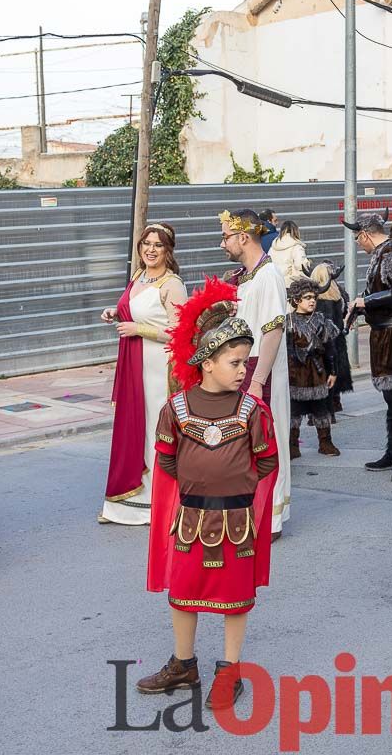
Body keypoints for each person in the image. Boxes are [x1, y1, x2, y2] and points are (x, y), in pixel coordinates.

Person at [139, 277, 279, 711]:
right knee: (183, 591)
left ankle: (229, 669)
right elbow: (165, 460)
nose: (244, 370)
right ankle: (183, 663)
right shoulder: (175, 409)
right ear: (206, 361)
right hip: (190, 521)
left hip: (236, 523)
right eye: (235, 362)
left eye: (245, 362)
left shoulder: (252, 410)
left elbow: (267, 462)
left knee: (234, 599)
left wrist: (239, 489)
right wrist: (198, 481)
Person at [99, 223, 186, 526]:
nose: (150, 249)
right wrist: (116, 311)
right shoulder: (139, 276)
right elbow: (134, 309)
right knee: (133, 429)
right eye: (146, 243)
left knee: (153, 430)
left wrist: (140, 330)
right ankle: (128, 503)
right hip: (134, 365)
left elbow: (181, 333)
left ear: (168, 250)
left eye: (157, 245)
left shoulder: (172, 284)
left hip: (159, 370)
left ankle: (157, 502)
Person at [221, 209, 291, 539]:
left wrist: (259, 380)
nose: (223, 243)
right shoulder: (243, 275)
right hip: (240, 366)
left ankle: (269, 517)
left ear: (244, 237)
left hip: (258, 369)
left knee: (264, 442)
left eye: (226, 237)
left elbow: (273, 329)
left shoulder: (269, 275)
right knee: (243, 447)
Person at [345, 211, 392, 485]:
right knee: (390, 398)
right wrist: (360, 305)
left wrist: (367, 302)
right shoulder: (382, 254)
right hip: (383, 335)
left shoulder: (390, 254)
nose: (357, 243)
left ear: (366, 233)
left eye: (357, 238)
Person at [285, 276, 340, 457]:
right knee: (294, 414)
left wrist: (333, 372)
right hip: (295, 375)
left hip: (317, 373)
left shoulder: (321, 320)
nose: (312, 301)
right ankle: (293, 446)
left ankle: (326, 443)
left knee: (321, 411)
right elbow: (284, 351)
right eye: (307, 297)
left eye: (314, 298)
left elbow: (330, 348)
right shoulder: (288, 322)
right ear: (296, 300)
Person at [308, 260, 353, 412]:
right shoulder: (338, 293)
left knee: (323, 373)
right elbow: (346, 310)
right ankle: (335, 401)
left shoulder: (314, 299)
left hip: (321, 343)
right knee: (335, 370)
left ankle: (325, 408)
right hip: (337, 339)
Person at [268, 220, 311, 286]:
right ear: (296, 231)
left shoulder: (273, 247)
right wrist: (308, 263)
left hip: (273, 283)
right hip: (290, 285)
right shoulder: (297, 247)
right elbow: (300, 266)